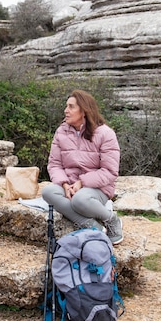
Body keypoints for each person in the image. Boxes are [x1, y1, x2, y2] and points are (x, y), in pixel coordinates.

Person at [41, 89, 123, 245]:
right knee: (48, 191)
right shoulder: (61, 132)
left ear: (84, 111)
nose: (66, 110)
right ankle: (92, 225)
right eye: (66, 106)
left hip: (97, 188)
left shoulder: (105, 133)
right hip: (70, 185)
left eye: (71, 107)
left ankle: (111, 219)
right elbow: (54, 164)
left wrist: (81, 183)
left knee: (80, 199)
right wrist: (64, 184)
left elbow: (110, 171)